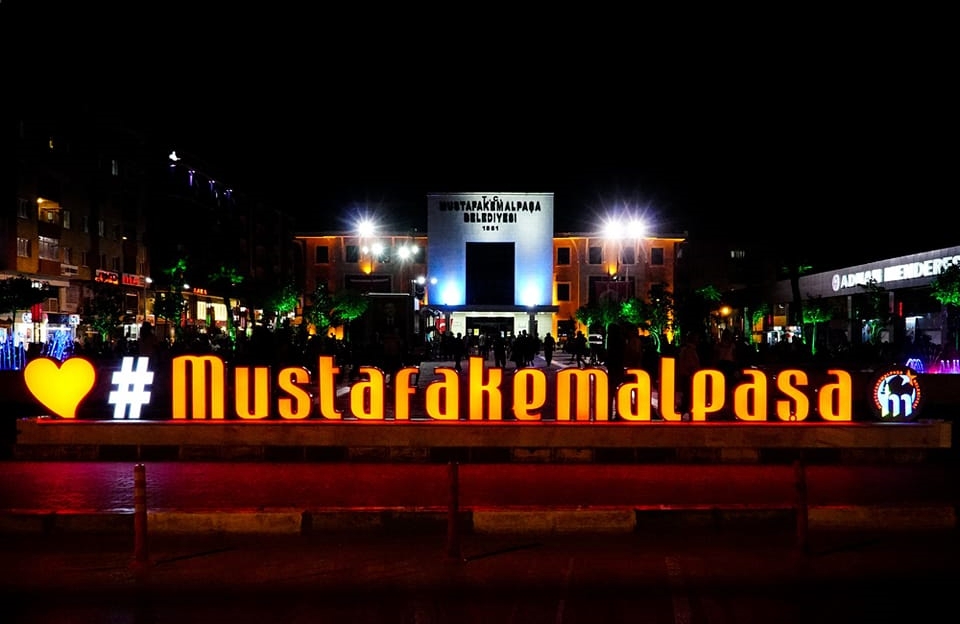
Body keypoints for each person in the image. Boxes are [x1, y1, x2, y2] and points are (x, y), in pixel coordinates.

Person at [676, 332, 701, 419]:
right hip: (689, 375)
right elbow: (691, 364)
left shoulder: (686, 349)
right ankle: (685, 410)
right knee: (688, 394)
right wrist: (692, 373)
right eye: (696, 338)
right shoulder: (689, 350)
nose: (698, 340)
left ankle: (684, 410)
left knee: (687, 394)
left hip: (687, 375)